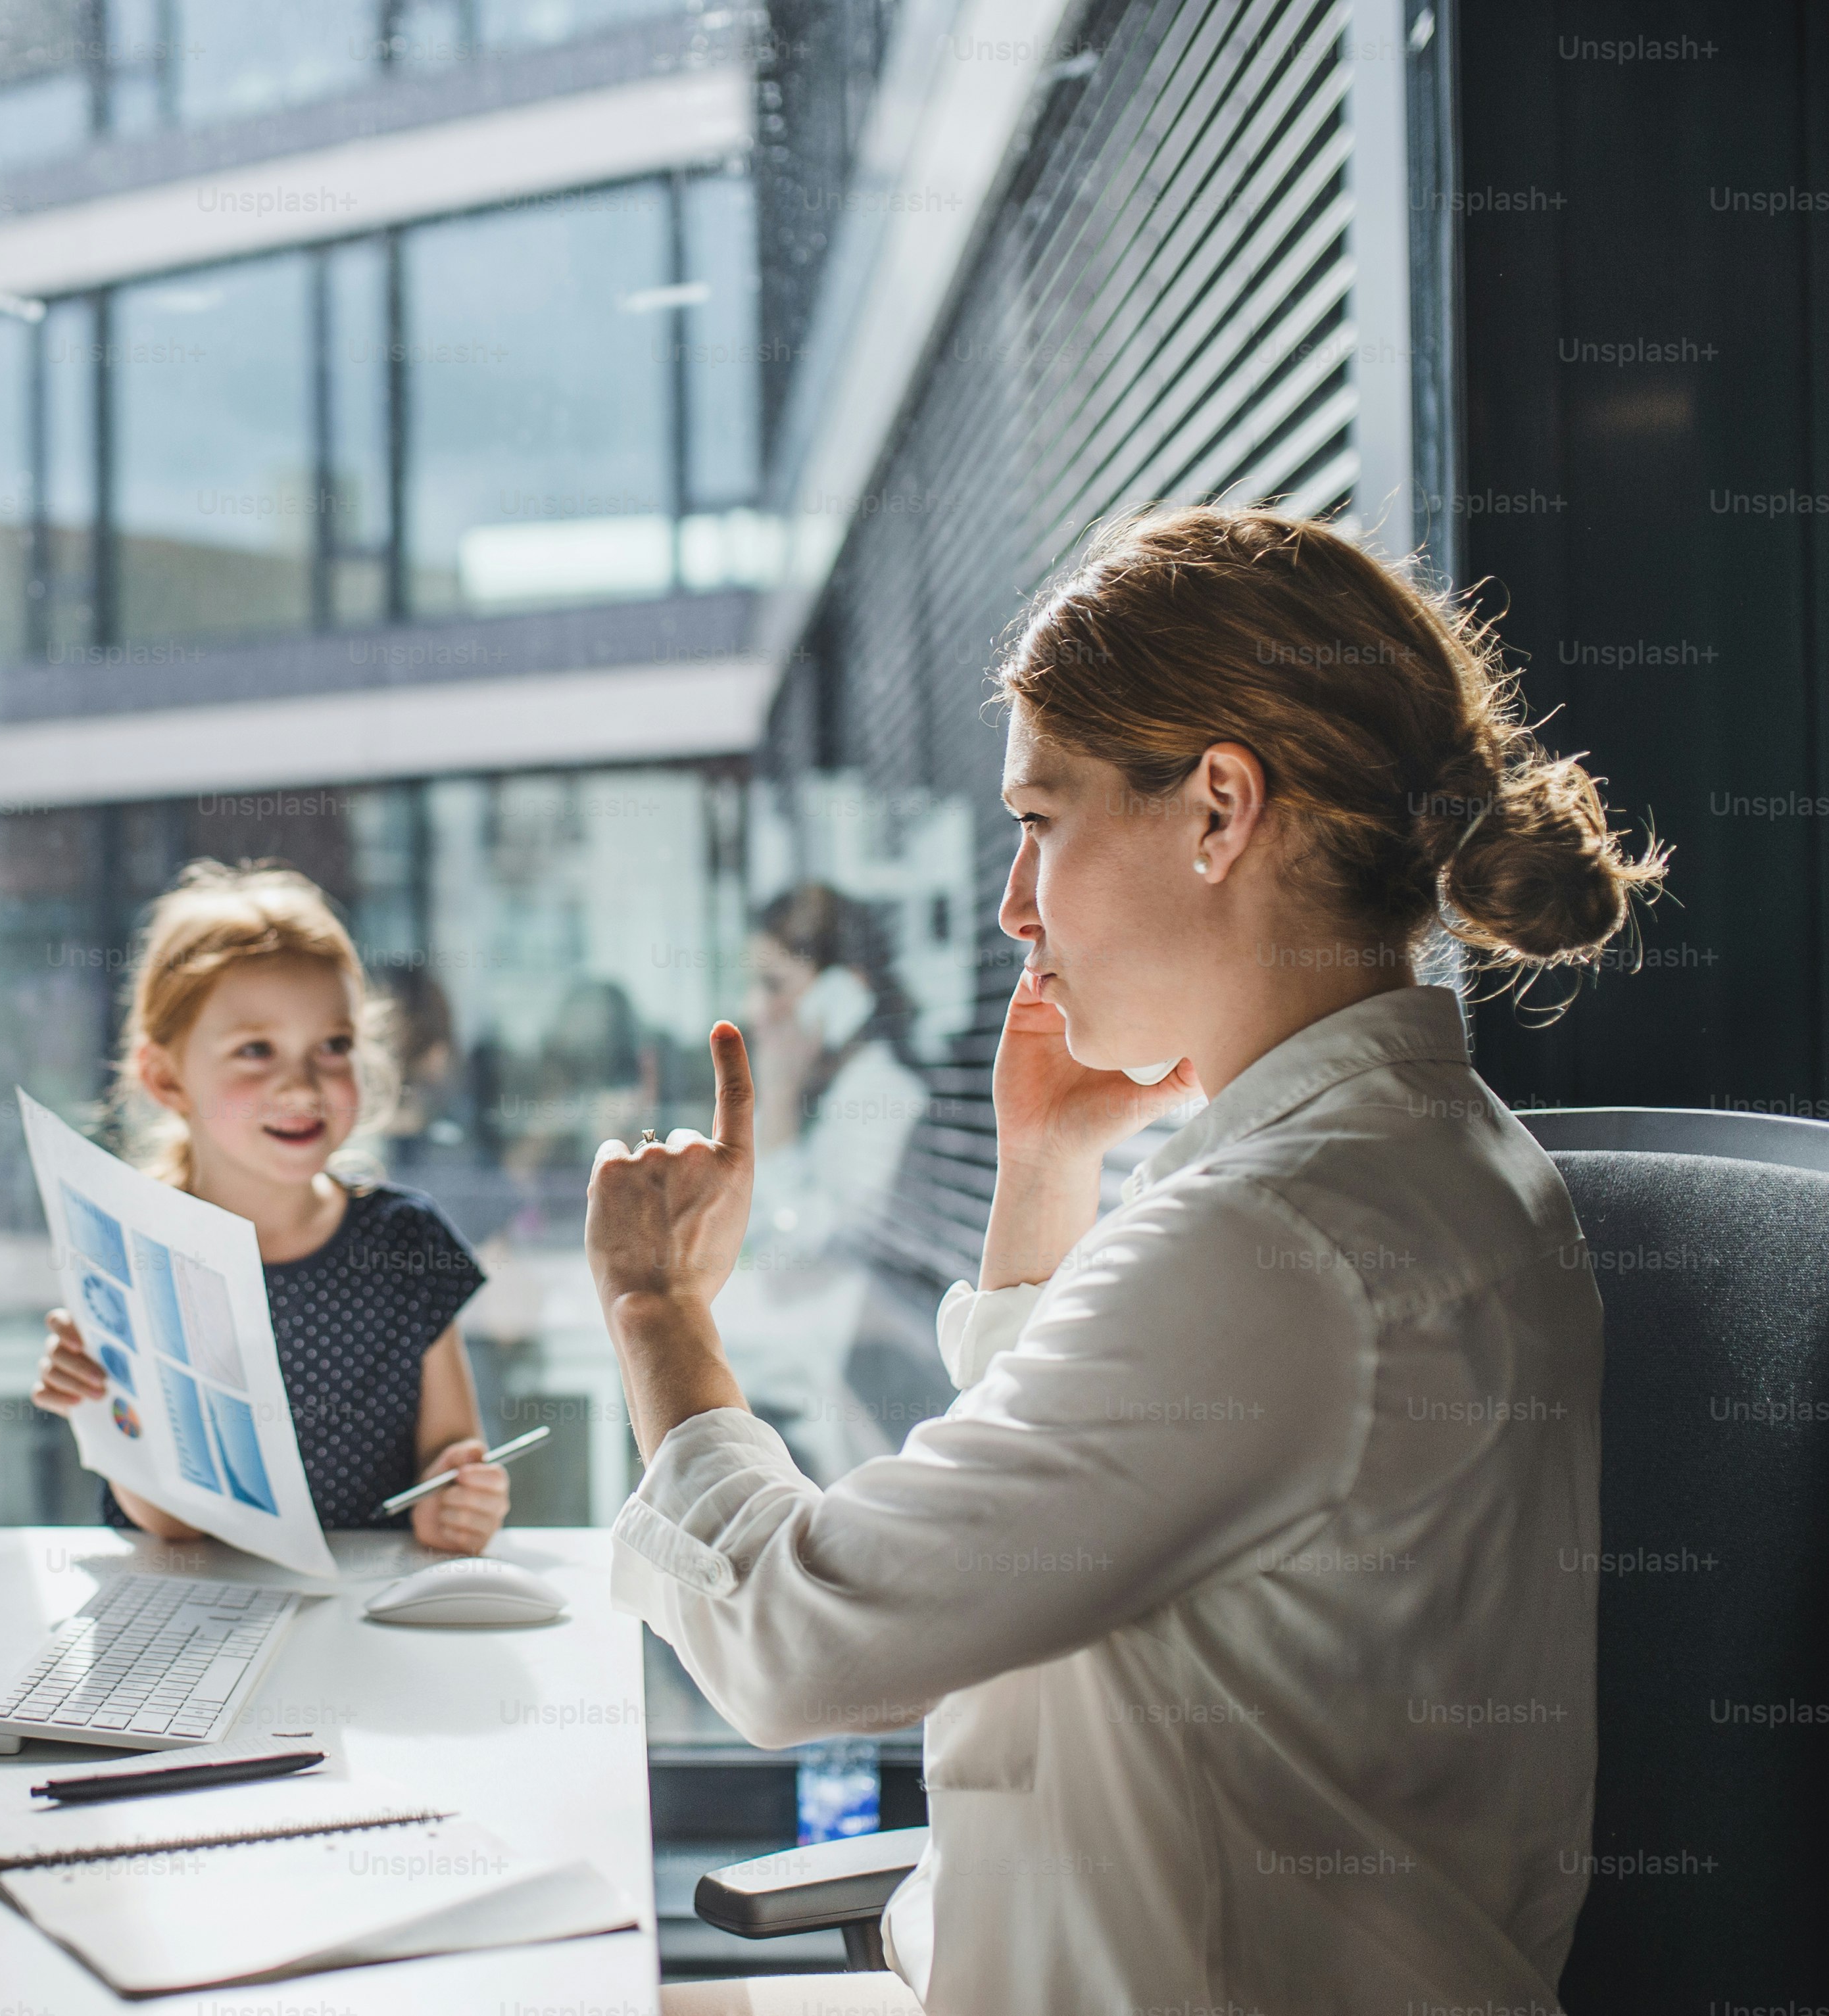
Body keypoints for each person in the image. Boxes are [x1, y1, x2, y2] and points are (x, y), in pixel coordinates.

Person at [597, 508, 1665, 2015]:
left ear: (1217, 810)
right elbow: (1088, 1502)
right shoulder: (1438, 1156)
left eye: (1039, 822)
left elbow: (794, 1638)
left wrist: (655, 1311)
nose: (1010, 906)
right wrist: (1041, 1171)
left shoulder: (1278, 1248)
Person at [30, 860, 508, 1554]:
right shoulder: (137, 1252)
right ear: (165, 1076)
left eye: (333, 1046)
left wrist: (457, 1499)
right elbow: (172, 1525)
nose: (302, 1083)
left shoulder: (409, 1238)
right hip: (201, 1623)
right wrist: (98, 1406)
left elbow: (452, 1449)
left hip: (376, 1617)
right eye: (256, 1050)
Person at [721, 884, 936, 1479]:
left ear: (845, 994)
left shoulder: (883, 1098)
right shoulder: (828, 1097)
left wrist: (782, 1103)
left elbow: (794, 1257)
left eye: (774, 986)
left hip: (852, 1431)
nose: (755, 1008)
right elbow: (755, 1230)